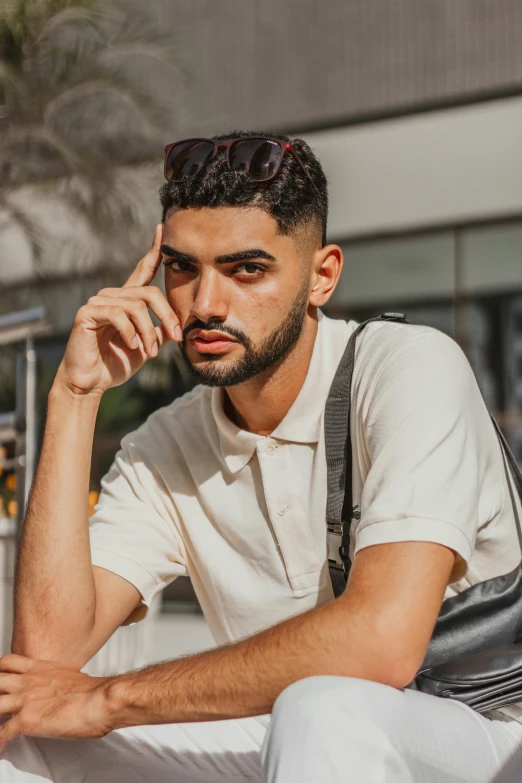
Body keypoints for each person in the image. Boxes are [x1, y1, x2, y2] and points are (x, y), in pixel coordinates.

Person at [1, 131, 522, 783]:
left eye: (246, 269)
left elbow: (381, 643)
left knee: (322, 710)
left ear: (321, 275)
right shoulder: (165, 446)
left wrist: (109, 698)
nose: (206, 304)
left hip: (482, 733)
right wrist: (75, 396)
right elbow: (45, 660)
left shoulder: (406, 366)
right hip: (290, 736)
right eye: (184, 268)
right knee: (25, 738)